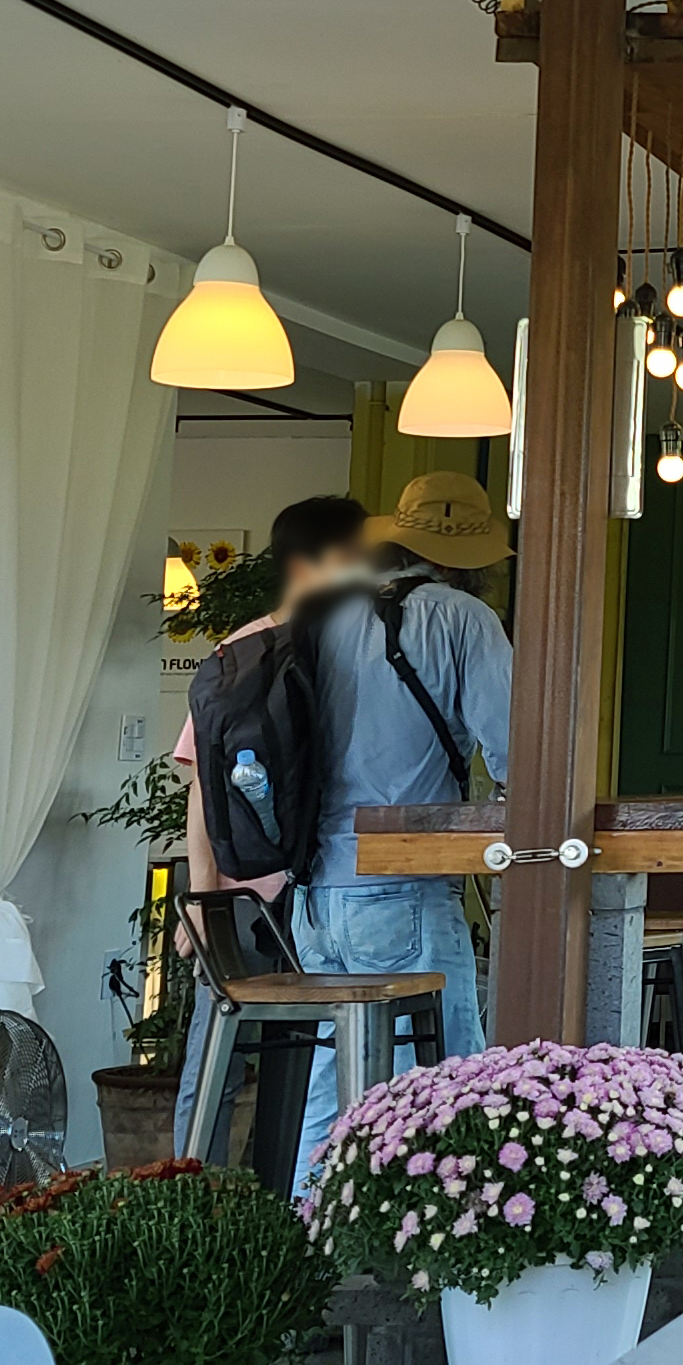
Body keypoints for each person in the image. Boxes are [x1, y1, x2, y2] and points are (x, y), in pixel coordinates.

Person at [286, 470, 516, 1184]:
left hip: (315, 894)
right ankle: (438, 1240)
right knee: (445, 1091)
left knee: (330, 1091)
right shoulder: (461, 618)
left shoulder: (322, 612)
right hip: (404, 890)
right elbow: (519, 750)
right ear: (468, 559)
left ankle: (307, 1230)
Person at [166, 493, 371, 1148]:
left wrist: (207, 898)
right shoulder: (257, 654)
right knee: (228, 1060)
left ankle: (259, 1191)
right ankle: (199, 1188)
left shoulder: (299, 648)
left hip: (288, 887)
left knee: (274, 1060)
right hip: (268, 891)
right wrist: (204, 903)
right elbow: (204, 786)